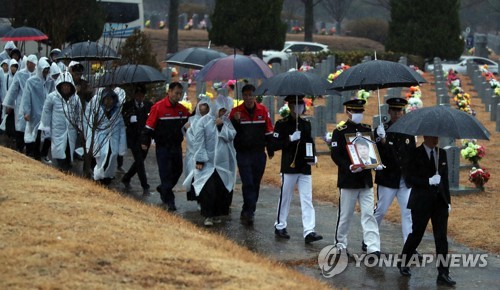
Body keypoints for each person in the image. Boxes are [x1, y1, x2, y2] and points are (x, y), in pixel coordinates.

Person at [399, 136, 455, 286]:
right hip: (421, 202)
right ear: (425, 136)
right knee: (417, 234)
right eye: (432, 136)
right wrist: (428, 181)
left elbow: (445, 181)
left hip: (439, 203)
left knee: (441, 238)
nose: (436, 139)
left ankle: (443, 273)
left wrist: (448, 201)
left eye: (437, 136)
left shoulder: (441, 153)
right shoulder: (414, 154)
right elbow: (409, 179)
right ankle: (403, 261)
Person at [330, 99, 381, 257]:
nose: (358, 114)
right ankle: (340, 244)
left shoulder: (367, 129)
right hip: (348, 180)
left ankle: (373, 247)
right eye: (355, 111)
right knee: (345, 215)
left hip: (365, 180)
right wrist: (349, 167)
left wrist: (379, 140)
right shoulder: (340, 131)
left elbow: (372, 152)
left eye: (360, 111)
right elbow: (336, 155)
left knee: (368, 214)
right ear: (348, 112)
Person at [270, 95, 323, 243]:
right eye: (297, 104)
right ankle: (280, 225)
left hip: (304, 166)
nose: (300, 106)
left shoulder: (306, 124)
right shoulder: (282, 124)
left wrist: (312, 157)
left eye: (302, 103)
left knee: (307, 199)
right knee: (285, 197)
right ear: (290, 106)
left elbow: (309, 142)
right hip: (289, 166)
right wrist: (289, 139)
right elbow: (274, 145)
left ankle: (309, 231)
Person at [371, 98, 417, 253]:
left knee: (408, 212)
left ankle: (409, 245)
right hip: (388, 178)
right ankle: (370, 239)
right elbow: (377, 155)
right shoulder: (382, 130)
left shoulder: (408, 131)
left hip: (404, 180)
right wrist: (381, 141)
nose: (397, 113)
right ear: (389, 112)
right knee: (381, 210)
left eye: (400, 110)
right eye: (394, 110)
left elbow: (410, 155)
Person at [229, 84, 274, 225]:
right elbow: (230, 133)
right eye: (246, 95)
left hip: (259, 153)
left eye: (251, 95)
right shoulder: (235, 112)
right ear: (242, 96)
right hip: (243, 153)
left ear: (255, 96)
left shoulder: (263, 110)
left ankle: (248, 208)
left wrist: (270, 149)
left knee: (255, 183)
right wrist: (234, 121)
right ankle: (249, 211)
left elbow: (268, 130)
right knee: (247, 182)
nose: (248, 98)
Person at [141, 82, 189, 211]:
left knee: (178, 170)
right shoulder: (158, 107)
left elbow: (189, 121)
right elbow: (149, 127)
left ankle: (164, 188)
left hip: (176, 146)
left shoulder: (182, 109)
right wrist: (145, 142)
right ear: (169, 91)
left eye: (180, 94)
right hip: (162, 147)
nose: (178, 96)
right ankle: (170, 201)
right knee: (165, 173)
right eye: (176, 93)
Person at [191, 95, 237, 226]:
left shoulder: (226, 122)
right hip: (208, 162)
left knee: (221, 189)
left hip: (223, 163)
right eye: (222, 110)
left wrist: (221, 127)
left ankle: (217, 213)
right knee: (208, 189)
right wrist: (200, 159)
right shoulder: (203, 121)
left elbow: (231, 136)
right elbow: (199, 141)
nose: (223, 113)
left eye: (226, 111)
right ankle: (208, 215)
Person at [39, 72, 81, 171]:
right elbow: (46, 112)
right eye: (64, 85)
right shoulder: (52, 97)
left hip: (71, 131)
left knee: (68, 149)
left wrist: (79, 126)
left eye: (68, 86)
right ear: (60, 86)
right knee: (58, 150)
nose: (66, 88)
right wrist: (46, 127)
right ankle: (61, 168)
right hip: (57, 130)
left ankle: (66, 166)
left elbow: (79, 113)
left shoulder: (75, 99)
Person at [88, 88, 127, 185]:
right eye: (107, 99)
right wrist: (91, 143)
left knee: (112, 157)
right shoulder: (97, 111)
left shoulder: (117, 113)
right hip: (100, 141)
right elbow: (91, 128)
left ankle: (107, 177)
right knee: (101, 158)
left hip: (113, 141)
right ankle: (98, 176)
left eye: (111, 99)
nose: (109, 101)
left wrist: (122, 146)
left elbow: (121, 130)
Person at [121, 84, 153, 195]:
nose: (139, 97)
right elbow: (124, 120)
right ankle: (145, 186)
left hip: (146, 138)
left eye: (141, 95)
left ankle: (126, 177)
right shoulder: (128, 106)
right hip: (133, 138)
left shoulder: (149, 105)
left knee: (140, 161)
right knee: (139, 161)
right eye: (137, 94)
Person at [2, 54, 37, 153]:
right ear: (27, 63)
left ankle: (29, 149)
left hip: (32, 104)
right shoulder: (20, 74)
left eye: (34, 64)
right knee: (20, 125)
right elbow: (13, 89)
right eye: (31, 64)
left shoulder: (36, 75)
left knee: (30, 126)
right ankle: (19, 147)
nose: (33, 66)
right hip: (20, 103)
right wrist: (9, 103)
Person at [183, 97, 211, 205]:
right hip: (194, 155)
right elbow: (190, 139)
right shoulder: (192, 121)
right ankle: (199, 201)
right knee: (195, 178)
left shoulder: (211, 120)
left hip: (209, 156)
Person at [21, 58, 51, 160]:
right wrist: (27, 112)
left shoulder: (48, 81)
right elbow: (26, 98)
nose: (46, 72)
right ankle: (32, 153)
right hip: (34, 112)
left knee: (42, 134)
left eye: (47, 70)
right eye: (44, 70)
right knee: (33, 134)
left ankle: (38, 154)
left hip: (44, 113)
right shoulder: (31, 81)